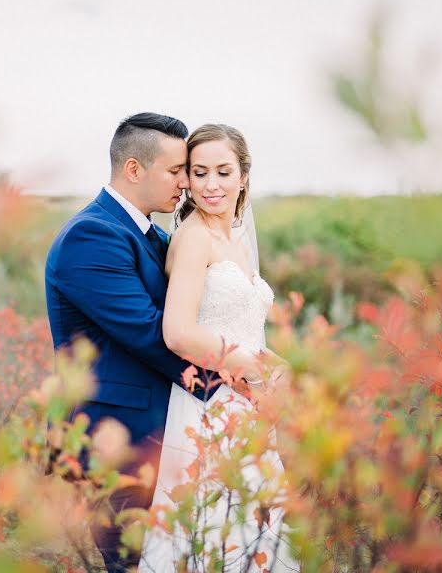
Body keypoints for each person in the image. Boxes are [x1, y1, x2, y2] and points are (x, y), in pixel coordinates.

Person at [44, 112, 222, 571]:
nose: (186, 182)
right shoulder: (93, 235)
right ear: (134, 170)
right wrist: (230, 388)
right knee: (135, 564)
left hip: (161, 432)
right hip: (116, 439)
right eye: (176, 170)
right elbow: (148, 332)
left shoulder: (150, 233)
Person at [139, 124, 300, 571]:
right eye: (200, 172)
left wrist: (275, 366)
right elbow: (178, 332)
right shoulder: (194, 236)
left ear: (243, 176)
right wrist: (253, 367)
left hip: (245, 405)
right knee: (215, 528)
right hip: (208, 401)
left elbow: (243, 325)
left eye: (224, 172)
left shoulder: (237, 238)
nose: (211, 185)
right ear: (187, 178)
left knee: (252, 529)